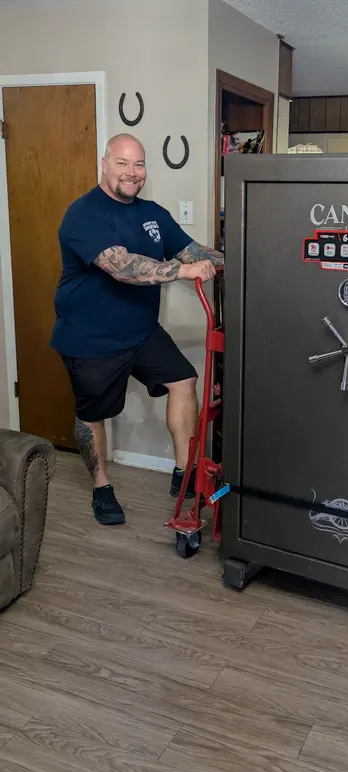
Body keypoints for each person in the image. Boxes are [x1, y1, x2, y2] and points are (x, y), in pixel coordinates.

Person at [51, 133, 223, 526]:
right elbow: (121, 266)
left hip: (141, 330)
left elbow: (192, 252)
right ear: (104, 163)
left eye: (139, 164)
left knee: (184, 380)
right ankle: (101, 486)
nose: (132, 173)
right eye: (123, 163)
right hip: (90, 338)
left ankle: (184, 473)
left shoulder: (153, 214)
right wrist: (182, 271)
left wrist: (232, 259)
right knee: (92, 414)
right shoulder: (83, 214)